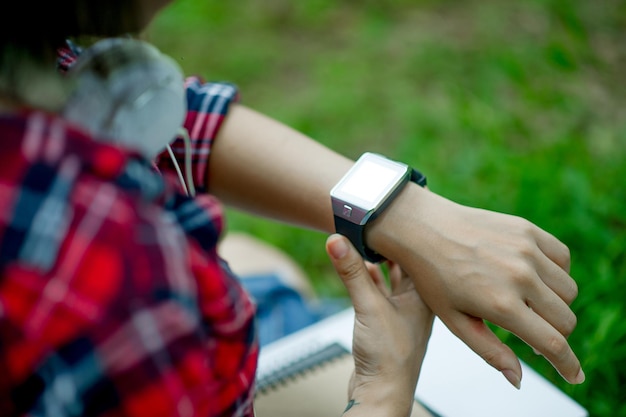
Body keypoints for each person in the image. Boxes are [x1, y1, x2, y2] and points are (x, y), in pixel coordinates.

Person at [0, 0, 583, 415]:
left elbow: (158, 114)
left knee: (267, 272)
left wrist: (399, 212)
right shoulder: (114, 274)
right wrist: (385, 385)